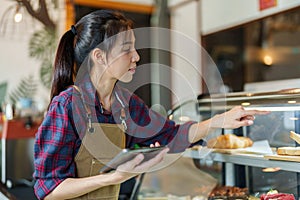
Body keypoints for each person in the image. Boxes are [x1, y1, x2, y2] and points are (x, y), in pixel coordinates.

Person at [33, 9, 269, 200]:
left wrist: (219, 120)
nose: (136, 56)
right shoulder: (66, 106)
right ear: (99, 56)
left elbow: (171, 135)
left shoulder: (125, 104)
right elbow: (49, 189)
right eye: (127, 49)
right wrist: (114, 178)